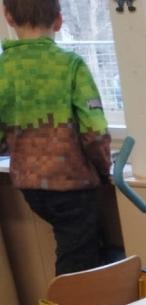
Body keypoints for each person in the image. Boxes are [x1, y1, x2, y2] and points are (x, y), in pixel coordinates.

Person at [0, 0, 112, 274]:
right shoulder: (70, 65)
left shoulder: (4, 69)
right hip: (71, 182)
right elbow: (94, 132)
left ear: (9, 17)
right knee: (78, 262)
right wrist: (103, 168)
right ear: (59, 20)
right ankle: (71, 303)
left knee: (78, 248)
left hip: (29, 185)